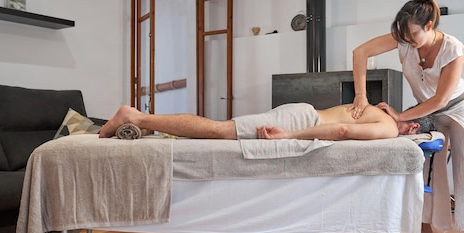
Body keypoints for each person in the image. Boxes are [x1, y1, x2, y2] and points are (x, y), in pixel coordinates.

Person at [349, 0, 464, 233]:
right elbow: (360, 52)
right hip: (429, 112)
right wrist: (360, 96)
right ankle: (425, 226)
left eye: (413, 34)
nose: (407, 40)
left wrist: (399, 115)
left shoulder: (453, 49)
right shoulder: (404, 39)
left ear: (429, 25)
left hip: (460, 108)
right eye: (403, 35)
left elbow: (441, 101)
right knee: (424, 165)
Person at [99, 102, 434, 141]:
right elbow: (342, 130)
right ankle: (137, 116)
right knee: (219, 130)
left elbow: (344, 124)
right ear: (415, 128)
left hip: (304, 110)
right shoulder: (390, 127)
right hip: (303, 118)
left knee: (220, 130)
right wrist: (291, 136)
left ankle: (144, 123)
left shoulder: (379, 110)